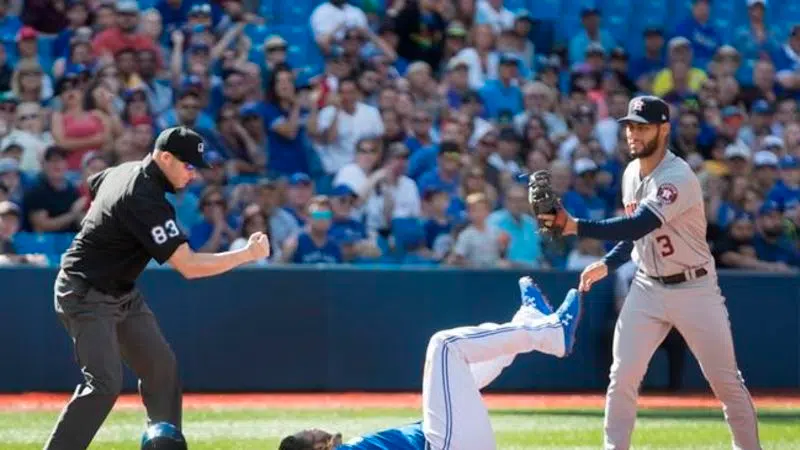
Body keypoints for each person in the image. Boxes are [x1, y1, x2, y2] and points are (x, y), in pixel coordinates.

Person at [536, 96, 761, 450]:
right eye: (630, 126)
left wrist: (575, 226)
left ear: (664, 129)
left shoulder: (677, 176)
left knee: (725, 383)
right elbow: (636, 233)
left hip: (694, 287)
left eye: (642, 127)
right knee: (622, 376)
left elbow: (642, 221)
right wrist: (609, 263)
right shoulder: (630, 173)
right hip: (647, 287)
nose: (633, 134)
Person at [44, 126, 270, 450]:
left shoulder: (123, 171)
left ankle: (164, 446)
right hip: (84, 292)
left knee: (161, 368)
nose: (193, 174)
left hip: (120, 292)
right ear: (165, 157)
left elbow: (95, 183)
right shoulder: (144, 198)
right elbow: (189, 267)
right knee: (105, 385)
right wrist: (247, 254)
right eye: (188, 165)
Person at [278, 278, 582, 450]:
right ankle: (550, 333)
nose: (314, 427)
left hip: (448, 439)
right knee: (445, 345)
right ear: (317, 448)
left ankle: (529, 321)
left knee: (462, 375)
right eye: (308, 433)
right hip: (445, 446)